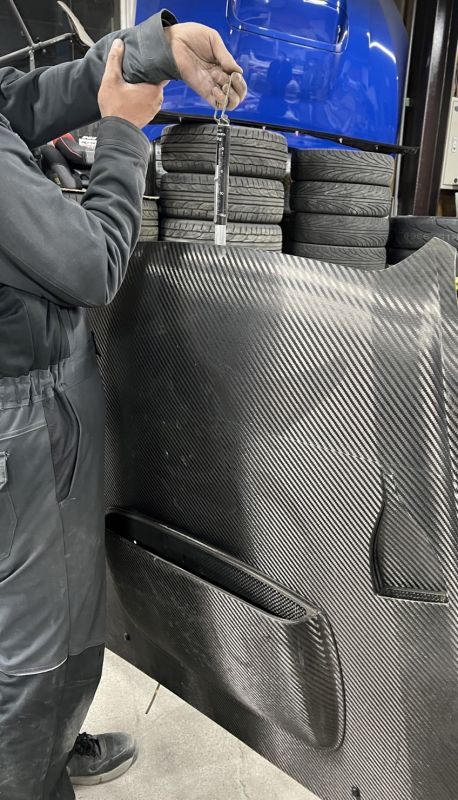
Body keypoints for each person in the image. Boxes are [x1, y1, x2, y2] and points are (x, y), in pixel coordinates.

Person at [0, 10, 247, 799]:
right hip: (20, 425)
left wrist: (150, 52)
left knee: (46, 627)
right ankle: (29, 773)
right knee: (41, 652)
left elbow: (21, 100)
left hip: (33, 395)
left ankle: (42, 748)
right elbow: (92, 264)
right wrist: (121, 139)